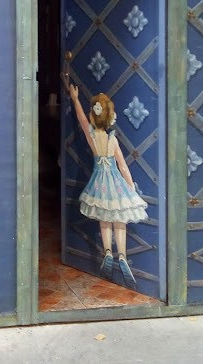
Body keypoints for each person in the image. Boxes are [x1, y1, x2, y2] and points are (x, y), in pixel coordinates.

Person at [66, 81, 148, 285]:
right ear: (110, 117)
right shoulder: (113, 140)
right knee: (119, 219)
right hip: (115, 182)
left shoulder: (92, 137)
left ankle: (108, 252)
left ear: (93, 117)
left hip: (99, 183)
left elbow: (81, 119)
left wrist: (75, 99)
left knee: (104, 219)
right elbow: (123, 167)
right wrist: (130, 187)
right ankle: (123, 256)